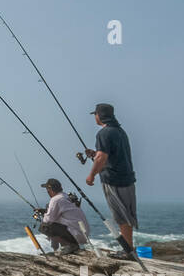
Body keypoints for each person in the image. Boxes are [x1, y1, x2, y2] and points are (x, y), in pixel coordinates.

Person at [84, 103, 138, 259]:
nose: (94, 117)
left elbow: (102, 158)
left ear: (100, 115)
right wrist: (95, 154)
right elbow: (109, 155)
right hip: (127, 178)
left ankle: (128, 251)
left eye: (95, 114)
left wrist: (91, 175)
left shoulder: (104, 133)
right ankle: (130, 249)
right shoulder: (120, 132)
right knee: (127, 215)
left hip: (114, 180)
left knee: (121, 216)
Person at [36, 178, 90, 253]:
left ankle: (70, 245)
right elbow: (63, 212)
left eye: (47, 189)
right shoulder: (65, 196)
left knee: (44, 227)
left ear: (50, 189)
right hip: (82, 233)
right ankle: (67, 246)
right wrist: (45, 211)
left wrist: (45, 214)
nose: (47, 191)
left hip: (75, 233)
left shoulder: (55, 199)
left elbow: (48, 220)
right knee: (53, 225)